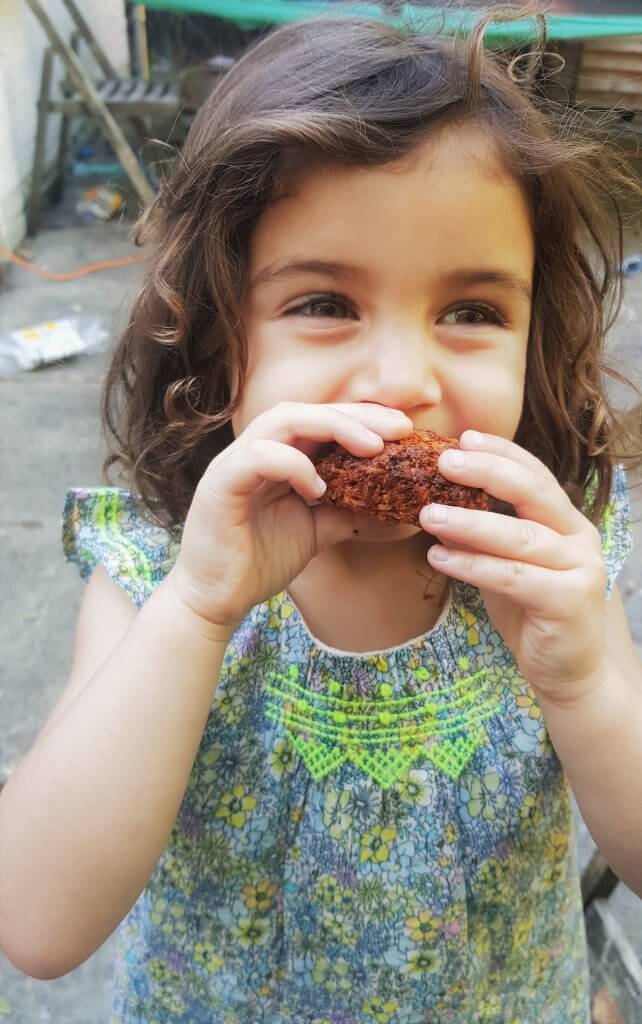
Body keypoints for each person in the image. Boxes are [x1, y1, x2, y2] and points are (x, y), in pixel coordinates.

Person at [1, 9, 641, 1024]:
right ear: (221, 336)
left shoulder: (557, 572)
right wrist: (197, 615)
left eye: (472, 312)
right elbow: (36, 922)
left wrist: (589, 682)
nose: (401, 381)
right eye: (324, 302)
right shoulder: (156, 574)